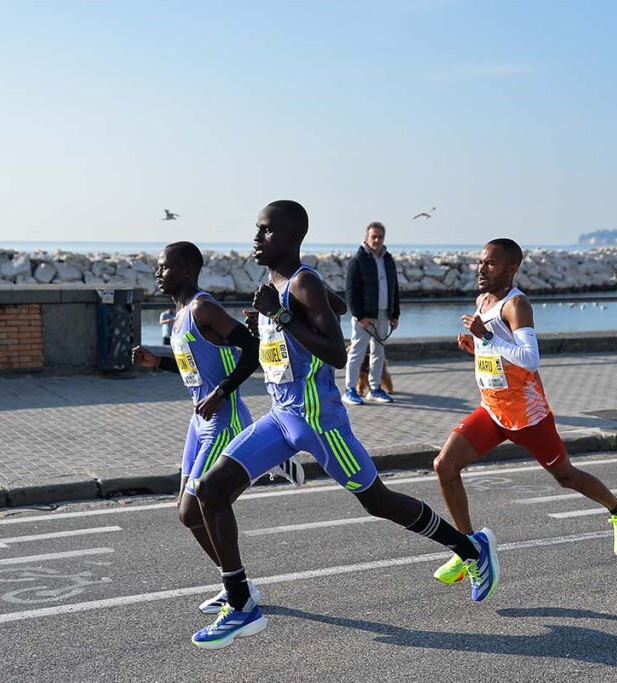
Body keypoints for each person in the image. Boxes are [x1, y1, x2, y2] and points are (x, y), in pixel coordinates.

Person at [189, 201, 496, 650]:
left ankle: (472, 549)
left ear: (291, 238)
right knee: (210, 491)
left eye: (266, 231)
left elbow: (335, 352)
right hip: (280, 416)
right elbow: (333, 307)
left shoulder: (302, 282)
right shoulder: (278, 283)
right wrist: (272, 320)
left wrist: (282, 316)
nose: (256, 239)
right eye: (256, 230)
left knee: (378, 501)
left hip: (320, 422)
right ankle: (241, 603)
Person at [431, 238, 617, 588]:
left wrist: (485, 337)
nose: (481, 269)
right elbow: (498, 357)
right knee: (445, 466)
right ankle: (470, 549)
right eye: (481, 262)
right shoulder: (482, 301)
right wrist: (476, 348)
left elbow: (530, 359)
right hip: (493, 409)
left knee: (566, 477)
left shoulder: (517, 306)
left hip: (528, 415)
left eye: (491, 264)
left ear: (511, 269)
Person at [131, 241, 305, 616]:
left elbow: (252, 349)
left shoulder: (202, 308)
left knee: (191, 511)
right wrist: (156, 364)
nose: (158, 273)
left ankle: (237, 584)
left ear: (187, 270)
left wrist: (222, 391)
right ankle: (234, 583)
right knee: (188, 513)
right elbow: (196, 365)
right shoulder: (178, 315)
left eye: (164, 267)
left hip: (223, 419)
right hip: (199, 422)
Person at [343, 221, 400, 405]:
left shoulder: (388, 260)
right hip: (364, 317)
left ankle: (375, 389)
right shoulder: (357, 261)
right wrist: (360, 315)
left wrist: (395, 314)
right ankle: (350, 389)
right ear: (366, 238)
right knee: (357, 352)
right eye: (373, 236)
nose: (376, 240)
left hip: (384, 313)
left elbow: (394, 288)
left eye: (380, 236)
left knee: (379, 353)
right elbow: (351, 291)